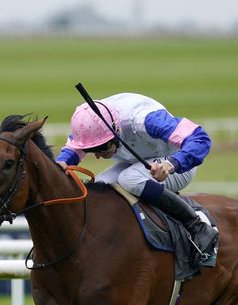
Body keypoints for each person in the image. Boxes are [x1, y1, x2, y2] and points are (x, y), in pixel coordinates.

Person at [56, 92, 218, 263]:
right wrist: (61, 162)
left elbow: (200, 138)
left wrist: (172, 164)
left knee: (129, 179)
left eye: (101, 149)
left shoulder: (147, 120)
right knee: (99, 187)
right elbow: (73, 150)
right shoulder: (92, 122)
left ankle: (197, 226)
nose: (97, 156)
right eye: (91, 150)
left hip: (177, 166)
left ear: (115, 129)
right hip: (135, 162)